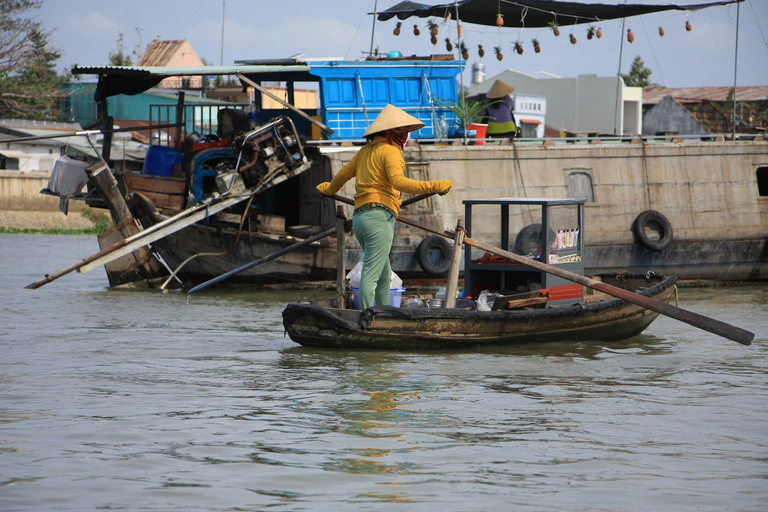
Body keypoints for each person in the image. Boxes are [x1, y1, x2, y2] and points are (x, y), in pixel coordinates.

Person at [317, 104, 453, 310]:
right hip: (378, 219)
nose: (405, 138)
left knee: (383, 275)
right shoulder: (391, 152)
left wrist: (329, 189)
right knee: (371, 275)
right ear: (391, 134)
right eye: (403, 133)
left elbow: (343, 175)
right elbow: (399, 182)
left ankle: (385, 313)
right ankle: (365, 318)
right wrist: (434, 186)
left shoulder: (365, 151)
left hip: (362, 218)